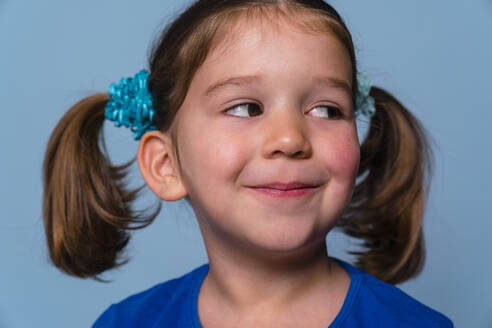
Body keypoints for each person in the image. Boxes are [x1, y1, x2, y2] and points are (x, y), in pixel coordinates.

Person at [41, 0, 454, 327]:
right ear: (167, 164)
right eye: (245, 108)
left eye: (327, 110)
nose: (290, 139)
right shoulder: (124, 325)